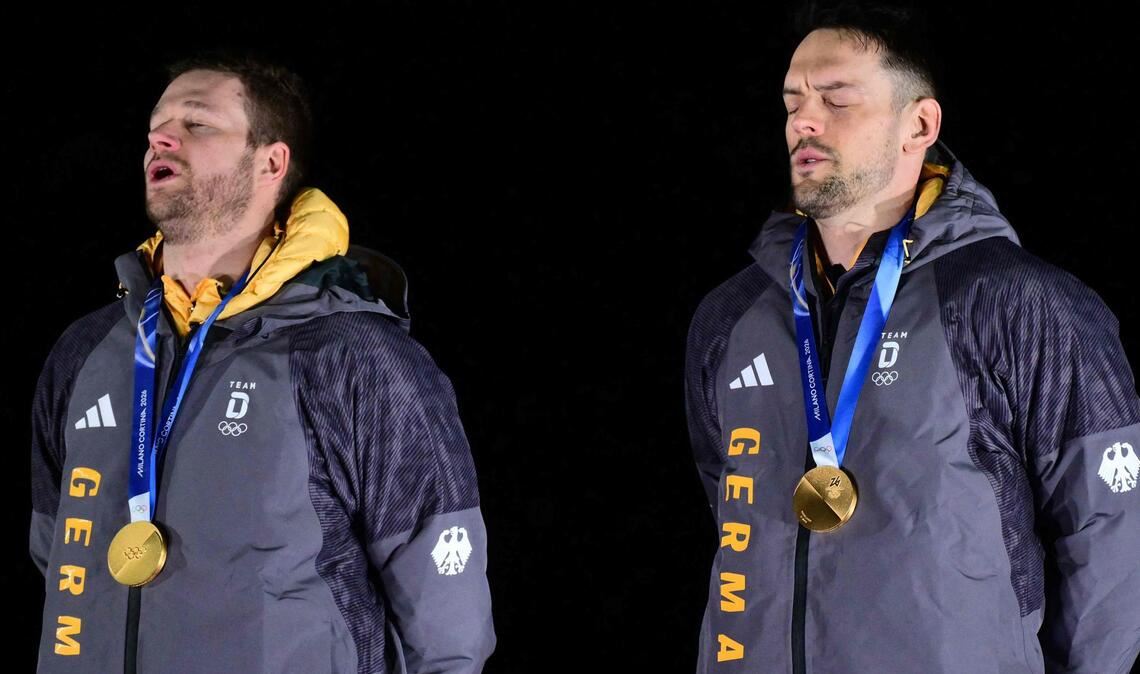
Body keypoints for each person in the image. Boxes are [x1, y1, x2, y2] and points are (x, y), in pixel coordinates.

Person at [684, 5, 1140, 673]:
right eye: (793, 103)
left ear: (918, 125)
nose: (803, 121)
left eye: (836, 99)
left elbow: (1111, 540)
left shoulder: (1019, 302)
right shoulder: (732, 315)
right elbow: (728, 515)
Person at [29, 53, 495, 673]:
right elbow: (57, 558)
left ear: (271, 161)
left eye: (197, 124)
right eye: (155, 127)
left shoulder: (354, 357)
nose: (159, 139)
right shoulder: (87, 351)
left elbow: (447, 626)